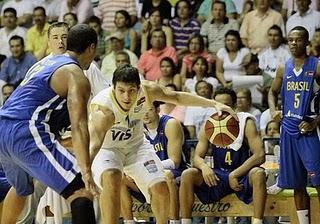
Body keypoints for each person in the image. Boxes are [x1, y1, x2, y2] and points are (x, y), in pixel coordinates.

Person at [89, 64, 233, 224]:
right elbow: (94, 143)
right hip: (107, 149)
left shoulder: (147, 91)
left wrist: (213, 104)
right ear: (113, 87)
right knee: (112, 177)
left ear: (138, 87)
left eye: (131, 91)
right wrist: (85, 171)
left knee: (161, 186)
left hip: (136, 146)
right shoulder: (102, 107)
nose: (126, 97)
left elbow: (177, 97)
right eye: (121, 91)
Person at [0, 24, 98, 224]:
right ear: (91, 48)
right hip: (25, 130)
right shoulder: (77, 76)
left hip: (3, 127)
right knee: (81, 190)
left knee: (22, 189)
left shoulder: (43, 64)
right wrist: (86, 171)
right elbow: (78, 125)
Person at [179, 87, 266, 224]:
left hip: (242, 175)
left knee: (258, 173)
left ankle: (257, 222)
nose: (222, 109)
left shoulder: (245, 122)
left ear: (235, 105)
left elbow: (260, 155)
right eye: (218, 105)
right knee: (188, 174)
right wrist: (204, 167)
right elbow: (196, 157)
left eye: (227, 105)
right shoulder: (209, 125)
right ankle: (185, 222)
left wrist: (235, 174)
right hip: (219, 176)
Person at [268, 26, 320, 224]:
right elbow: (271, 92)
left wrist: (316, 121)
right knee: (298, 185)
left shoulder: (316, 65)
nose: (293, 43)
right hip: (288, 129)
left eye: (298, 40)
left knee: (318, 180)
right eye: (290, 40)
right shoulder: (284, 67)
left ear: (307, 43)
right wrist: (273, 111)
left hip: (308, 128)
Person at [120, 101, 187, 224]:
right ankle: (129, 221)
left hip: (176, 172)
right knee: (119, 177)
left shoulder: (170, 124)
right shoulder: (136, 127)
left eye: (149, 110)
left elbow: (175, 161)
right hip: (148, 172)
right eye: (141, 110)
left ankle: (173, 221)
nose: (144, 114)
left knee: (165, 175)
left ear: (157, 109)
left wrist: (143, 171)